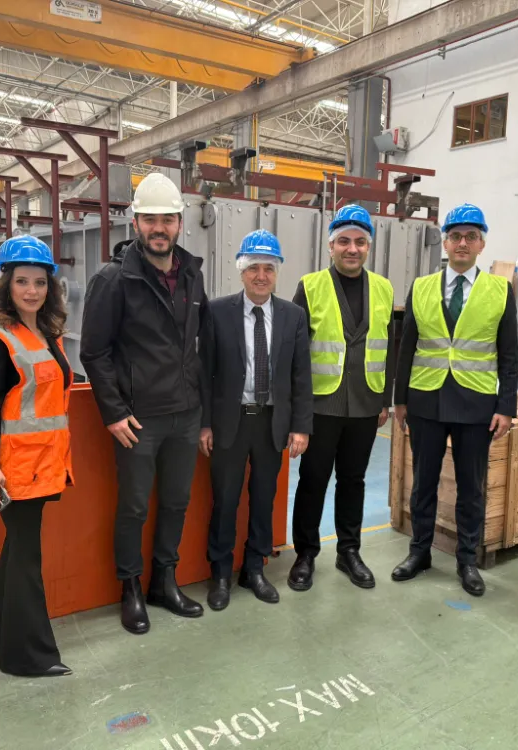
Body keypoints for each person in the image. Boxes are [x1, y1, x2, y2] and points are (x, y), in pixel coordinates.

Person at [80, 172, 207, 635]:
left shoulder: (192, 274)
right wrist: (114, 412)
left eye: (167, 220)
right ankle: (130, 588)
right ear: (135, 223)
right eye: (150, 219)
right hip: (138, 420)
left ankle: (164, 582)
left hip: (185, 415)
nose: (159, 228)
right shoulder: (114, 279)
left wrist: (203, 412)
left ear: (179, 224)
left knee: (176, 502)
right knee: (134, 507)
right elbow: (93, 352)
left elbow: (198, 343)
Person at [392, 203, 518, 596]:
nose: (463, 243)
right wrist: (400, 399)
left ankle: (467, 560)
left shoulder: (500, 290)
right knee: (423, 483)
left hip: (476, 403)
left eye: (471, 236)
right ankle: (419, 552)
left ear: (481, 244)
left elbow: (509, 353)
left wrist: (506, 406)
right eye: (456, 236)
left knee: (471, 487)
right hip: (426, 401)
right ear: (445, 243)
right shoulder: (421, 287)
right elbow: (406, 347)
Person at [0, 234, 73, 678]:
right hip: (12, 470)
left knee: (18, 552)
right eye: (22, 281)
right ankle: (28, 657)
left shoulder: (44, 335)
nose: (32, 290)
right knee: (27, 559)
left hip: (40, 465)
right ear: (5, 285)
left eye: (40, 282)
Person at [199, 230, 313, 610]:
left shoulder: (293, 316)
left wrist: (300, 426)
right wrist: (205, 424)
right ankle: (220, 573)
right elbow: (204, 372)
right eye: (253, 268)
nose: (261, 276)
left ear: (277, 272)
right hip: (229, 423)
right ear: (241, 271)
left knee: (264, 499)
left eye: (268, 268)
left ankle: (254, 569)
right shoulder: (217, 312)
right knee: (225, 500)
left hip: (271, 423)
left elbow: (301, 375)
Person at [288, 205, 395, 592]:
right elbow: (295, 353)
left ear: (368, 247)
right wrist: (298, 411)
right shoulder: (310, 286)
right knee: (313, 480)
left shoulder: (383, 288)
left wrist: (384, 399)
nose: (352, 249)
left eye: (360, 242)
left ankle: (349, 551)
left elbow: (389, 347)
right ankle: (306, 553)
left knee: (353, 480)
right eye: (345, 241)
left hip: (365, 403)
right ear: (331, 246)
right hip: (321, 404)